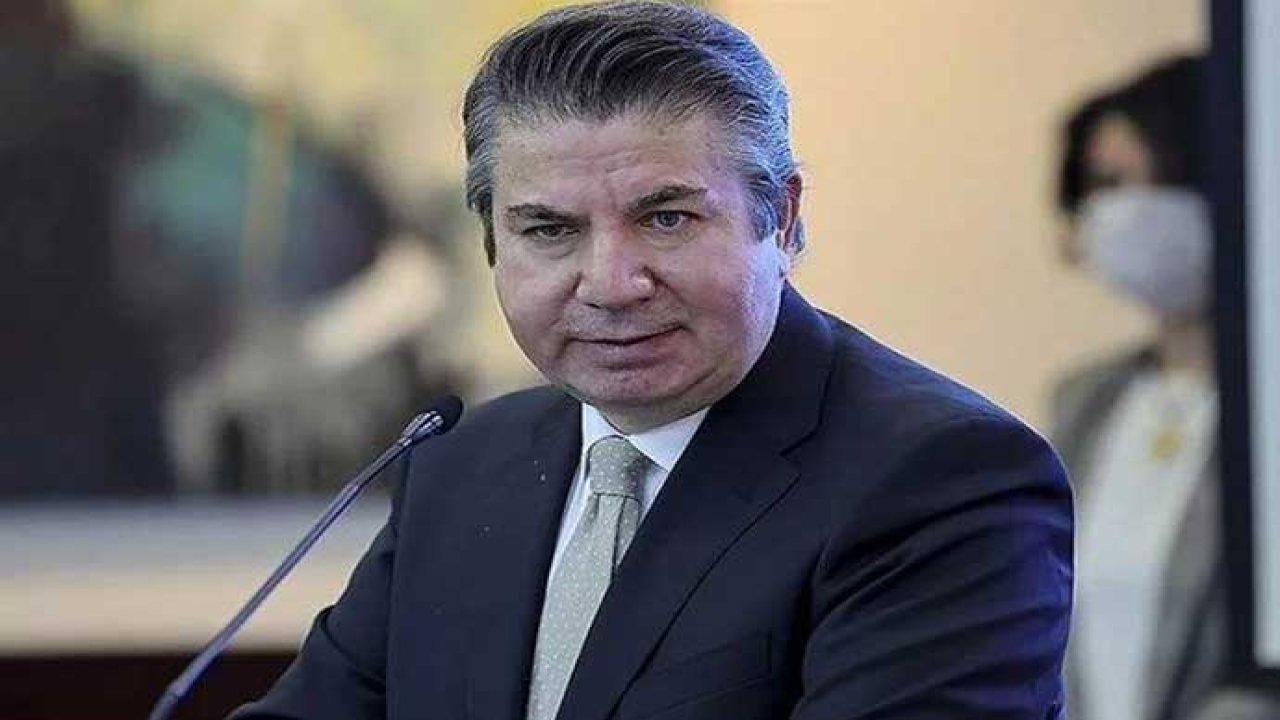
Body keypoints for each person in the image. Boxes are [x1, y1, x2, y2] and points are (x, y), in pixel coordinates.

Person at [232, 2, 1072, 718]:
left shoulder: (940, 479)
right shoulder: (462, 464)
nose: (611, 284)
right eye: (549, 230)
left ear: (781, 219)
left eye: (666, 218)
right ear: (491, 243)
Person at [1053, 56, 1279, 720]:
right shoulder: (1085, 400)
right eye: (1107, 183)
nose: (1127, 211)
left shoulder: (1265, 403)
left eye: (1161, 179)